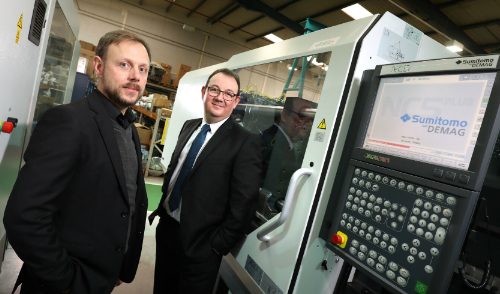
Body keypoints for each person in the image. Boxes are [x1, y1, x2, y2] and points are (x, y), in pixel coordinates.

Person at [3, 30, 150, 293]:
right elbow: (23, 217)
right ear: (98, 66)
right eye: (124, 64)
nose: (135, 76)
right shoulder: (69, 122)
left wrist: (118, 264)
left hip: (103, 276)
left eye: (143, 69)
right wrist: (69, 280)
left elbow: (126, 202)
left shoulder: (129, 128)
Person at [149, 68, 262, 293]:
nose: (220, 97)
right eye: (215, 90)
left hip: (201, 244)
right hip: (168, 230)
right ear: (204, 91)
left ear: (236, 101)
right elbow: (175, 169)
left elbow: (244, 201)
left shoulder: (244, 142)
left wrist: (217, 245)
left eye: (229, 94)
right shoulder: (189, 126)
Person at [259, 96, 317, 219]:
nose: (308, 123)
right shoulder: (272, 146)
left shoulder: (280, 142)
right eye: (302, 115)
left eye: (311, 117)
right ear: (284, 116)